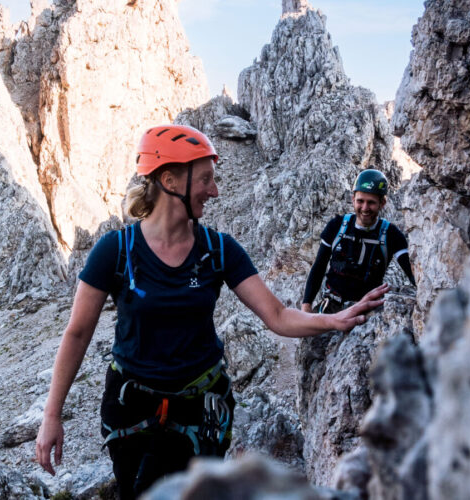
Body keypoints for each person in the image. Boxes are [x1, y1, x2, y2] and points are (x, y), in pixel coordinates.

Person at [35, 125, 388, 499]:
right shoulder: (116, 250)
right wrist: (51, 415)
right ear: (170, 179)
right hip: (132, 411)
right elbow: (77, 333)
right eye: (205, 179)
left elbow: (278, 316)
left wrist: (334, 320)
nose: (215, 190)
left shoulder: (219, 249)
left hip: (202, 412)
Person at [301, 168, 415, 315]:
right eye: (360, 201)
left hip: (367, 311)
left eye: (371, 202)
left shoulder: (391, 235)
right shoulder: (336, 226)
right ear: (353, 199)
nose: (365, 208)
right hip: (332, 307)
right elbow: (319, 267)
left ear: (383, 203)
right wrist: (306, 306)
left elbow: (411, 271)